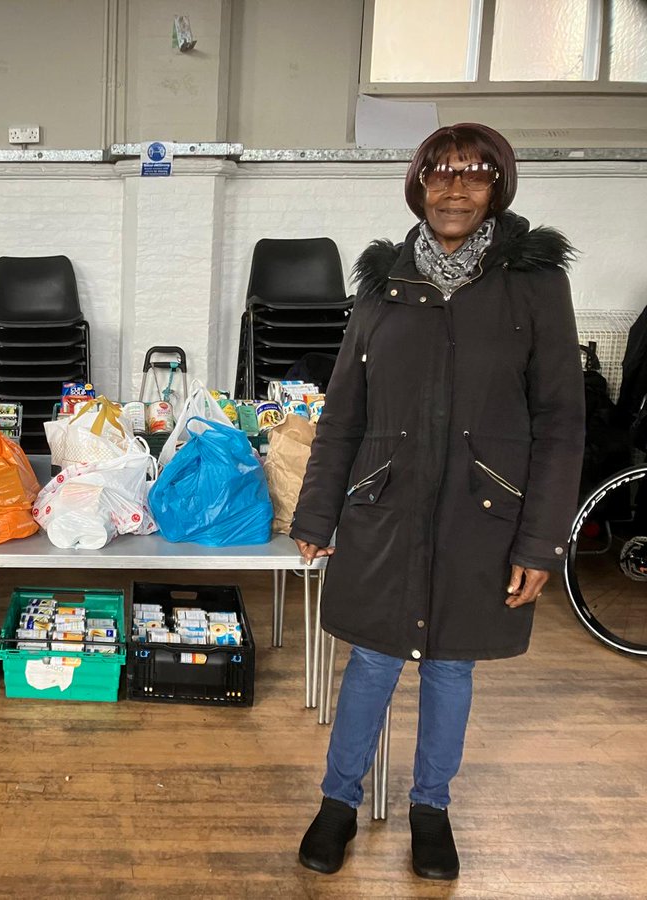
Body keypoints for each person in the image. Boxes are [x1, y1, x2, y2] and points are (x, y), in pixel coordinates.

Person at [289, 123, 584, 881]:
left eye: (474, 175)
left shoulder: (535, 283)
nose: (455, 189)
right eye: (440, 174)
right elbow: (345, 412)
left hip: (481, 517)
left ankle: (431, 808)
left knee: (451, 669)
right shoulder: (382, 282)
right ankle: (337, 803)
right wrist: (317, 513)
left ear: (497, 188)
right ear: (418, 185)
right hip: (385, 508)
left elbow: (560, 422)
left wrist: (540, 542)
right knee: (373, 663)